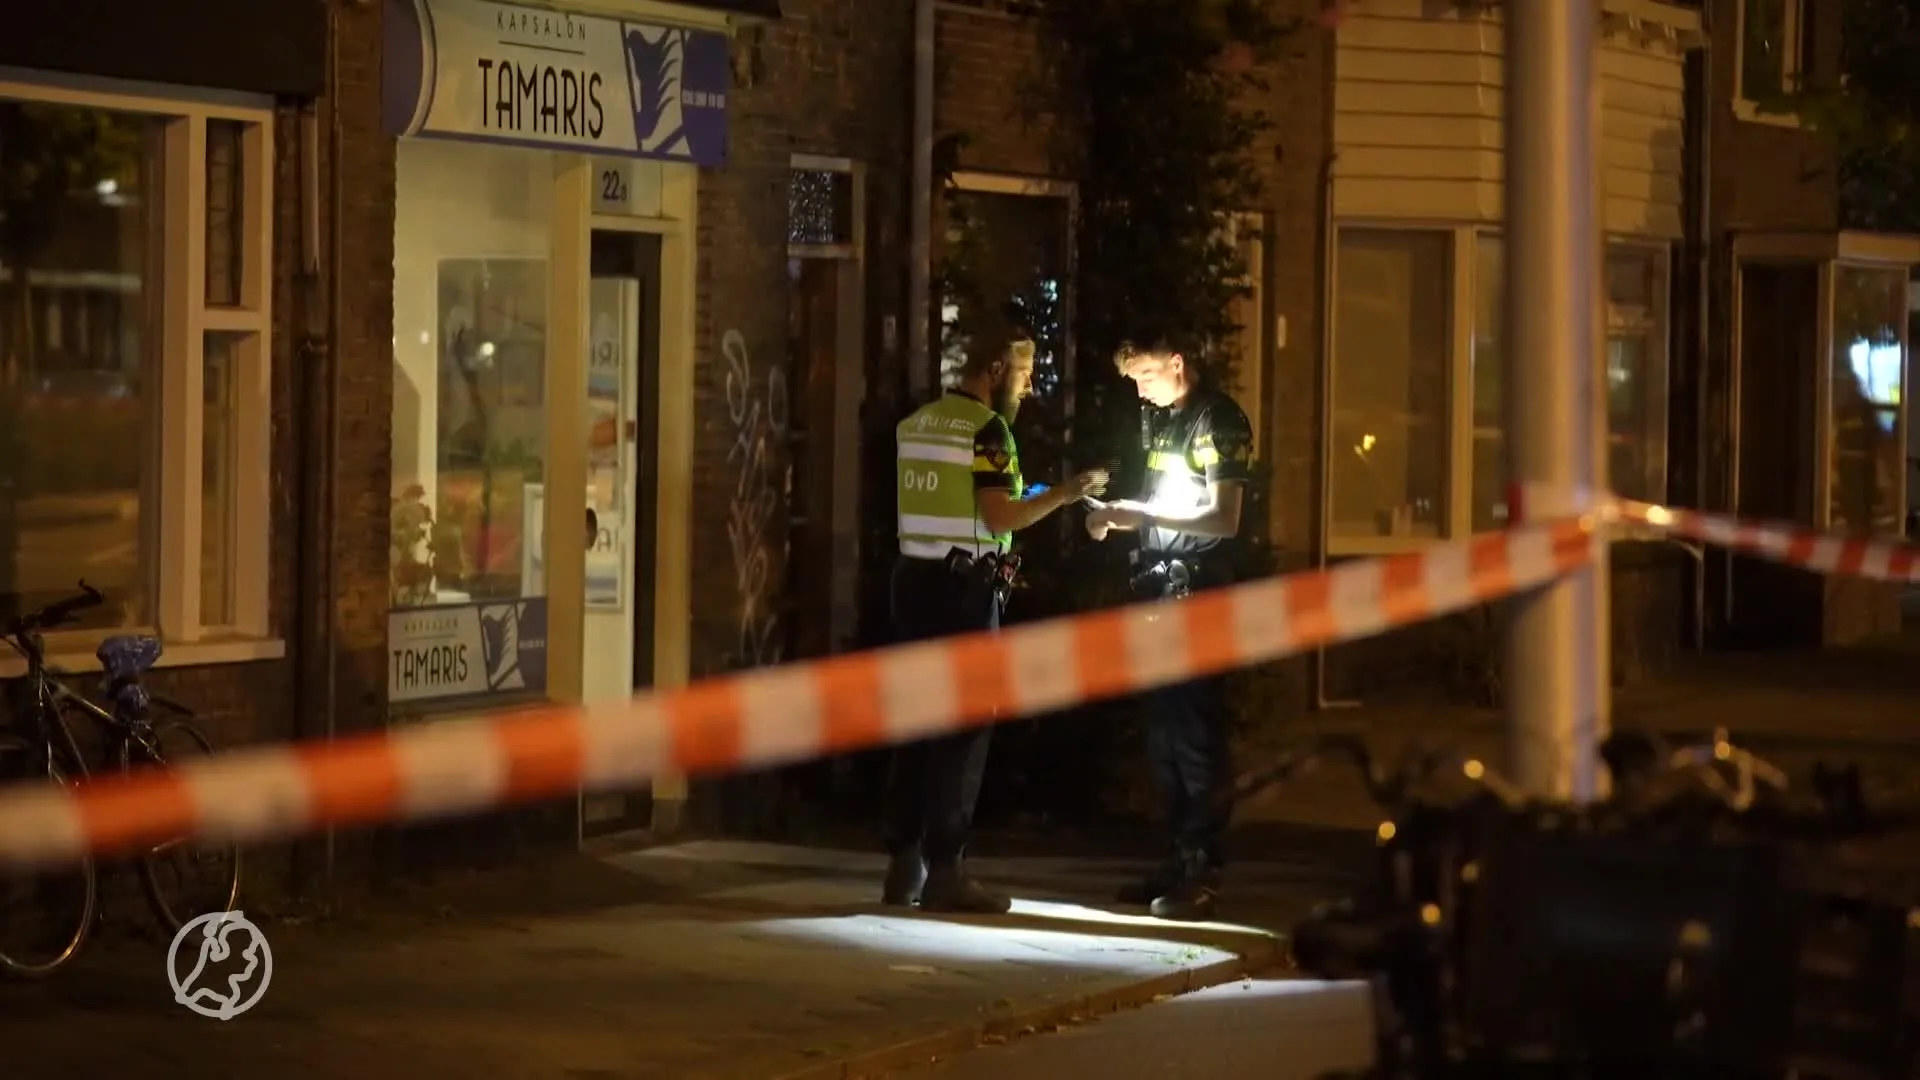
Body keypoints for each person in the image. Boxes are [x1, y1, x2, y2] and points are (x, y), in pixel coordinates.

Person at [882, 336, 1107, 914]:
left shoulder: (917, 424)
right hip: (963, 594)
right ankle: (948, 873)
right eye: (1025, 376)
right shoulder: (987, 431)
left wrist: (1021, 492)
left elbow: (962, 498)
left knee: (912, 726)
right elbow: (1000, 514)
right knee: (962, 729)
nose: (1029, 389)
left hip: (912, 583)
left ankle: (903, 866)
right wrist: (1066, 492)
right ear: (996, 368)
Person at [1085, 339, 1254, 921]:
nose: (1141, 389)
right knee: (1164, 739)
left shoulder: (1219, 420)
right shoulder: (1166, 421)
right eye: (1133, 379)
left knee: (1196, 737)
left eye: (1148, 375)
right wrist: (1118, 516)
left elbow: (1224, 519)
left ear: (1177, 362)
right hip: (1162, 594)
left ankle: (1203, 869)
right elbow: (1162, 501)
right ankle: (1177, 860)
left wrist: (1143, 515)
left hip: (1201, 598)